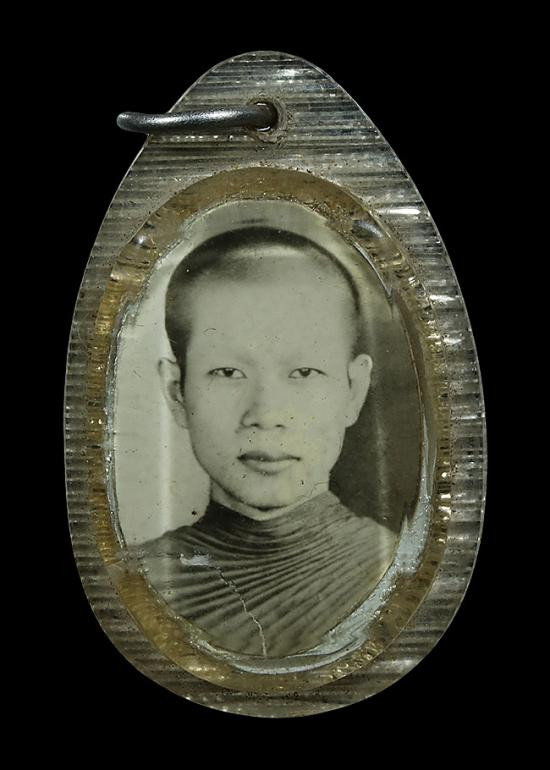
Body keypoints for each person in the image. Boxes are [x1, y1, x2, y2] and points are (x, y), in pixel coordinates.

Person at [130, 226, 397, 657]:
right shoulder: (128, 584)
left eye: (304, 373)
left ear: (354, 391)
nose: (266, 415)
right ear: (177, 393)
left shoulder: (401, 574)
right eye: (228, 373)